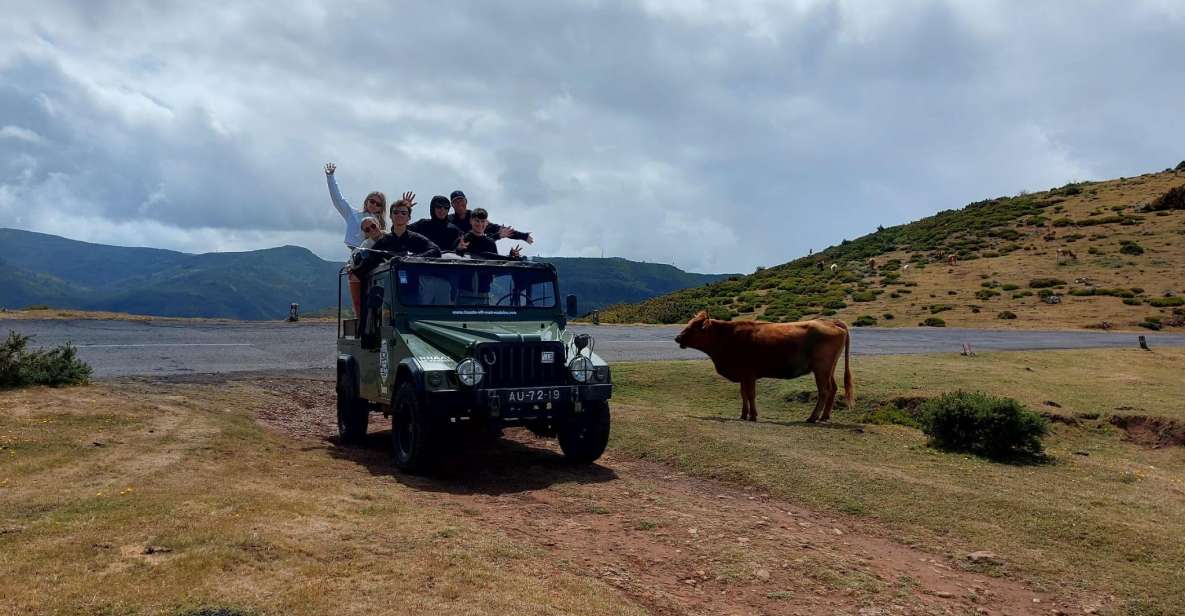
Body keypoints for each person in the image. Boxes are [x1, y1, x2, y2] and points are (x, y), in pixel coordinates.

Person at [351, 201, 441, 275]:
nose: (399, 215)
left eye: (403, 213)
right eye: (396, 212)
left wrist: (412, 259)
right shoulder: (383, 242)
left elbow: (436, 250)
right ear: (390, 216)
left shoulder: (416, 238)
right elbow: (366, 265)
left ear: (408, 217)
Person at [324, 163, 388, 247]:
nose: (374, 205)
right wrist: (330, 177)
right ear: (367, 202)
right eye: (372, 201)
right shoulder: (353, 214)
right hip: (356, 254)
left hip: (375, 255)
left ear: (381, 208)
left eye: (378, 204)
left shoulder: (381, 224)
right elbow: (338, 199)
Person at [447, 190, 533, 244]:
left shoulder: (477, 217)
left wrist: (523, 236)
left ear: (466, 202)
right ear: (452, 205)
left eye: (461, 200)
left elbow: (500, 230)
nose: (459, 204)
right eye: (456, 202)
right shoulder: (448, 220)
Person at [456, 208, 523, 261]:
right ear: (471, 221)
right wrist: (458, 250)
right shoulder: (462, 240)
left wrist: (511, 256)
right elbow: (450, 260)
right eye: (477, 221)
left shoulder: (490, 242)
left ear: (487, 223)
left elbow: (496, 264)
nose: (480, 224)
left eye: (482, 221)